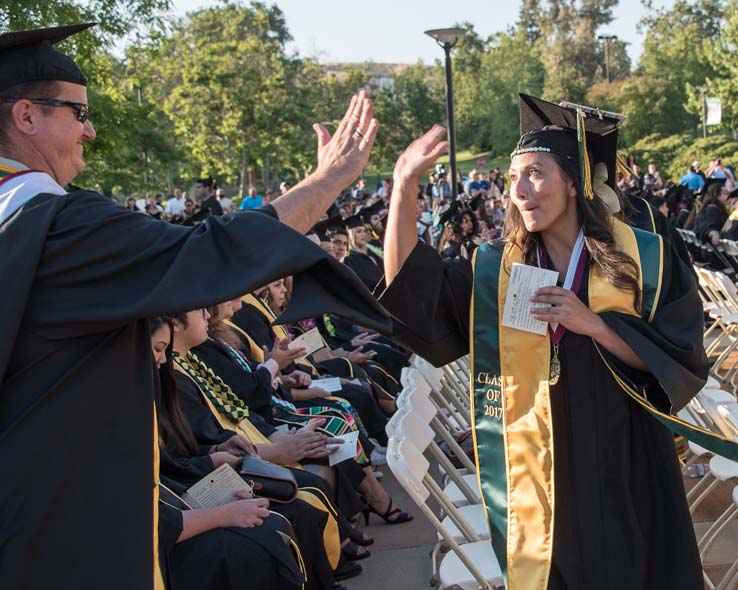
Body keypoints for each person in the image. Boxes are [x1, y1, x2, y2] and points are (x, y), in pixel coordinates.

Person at [0, 23, 386, 590]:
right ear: (27, 116)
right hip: (80, 526)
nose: (89, 130)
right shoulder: (54, 228)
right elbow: (210, 252)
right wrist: (327, 182)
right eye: (77, 112)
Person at [381, 94, 710, 590]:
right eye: (513, 179)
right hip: (536, 461)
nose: (520, 191)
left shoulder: (642, 257)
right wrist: (403, 187)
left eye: (535, 173)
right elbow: (410, 289)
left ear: (573, 183)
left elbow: (681, 352)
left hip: (626, 454)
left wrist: (595, 324)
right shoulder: (497, 268)